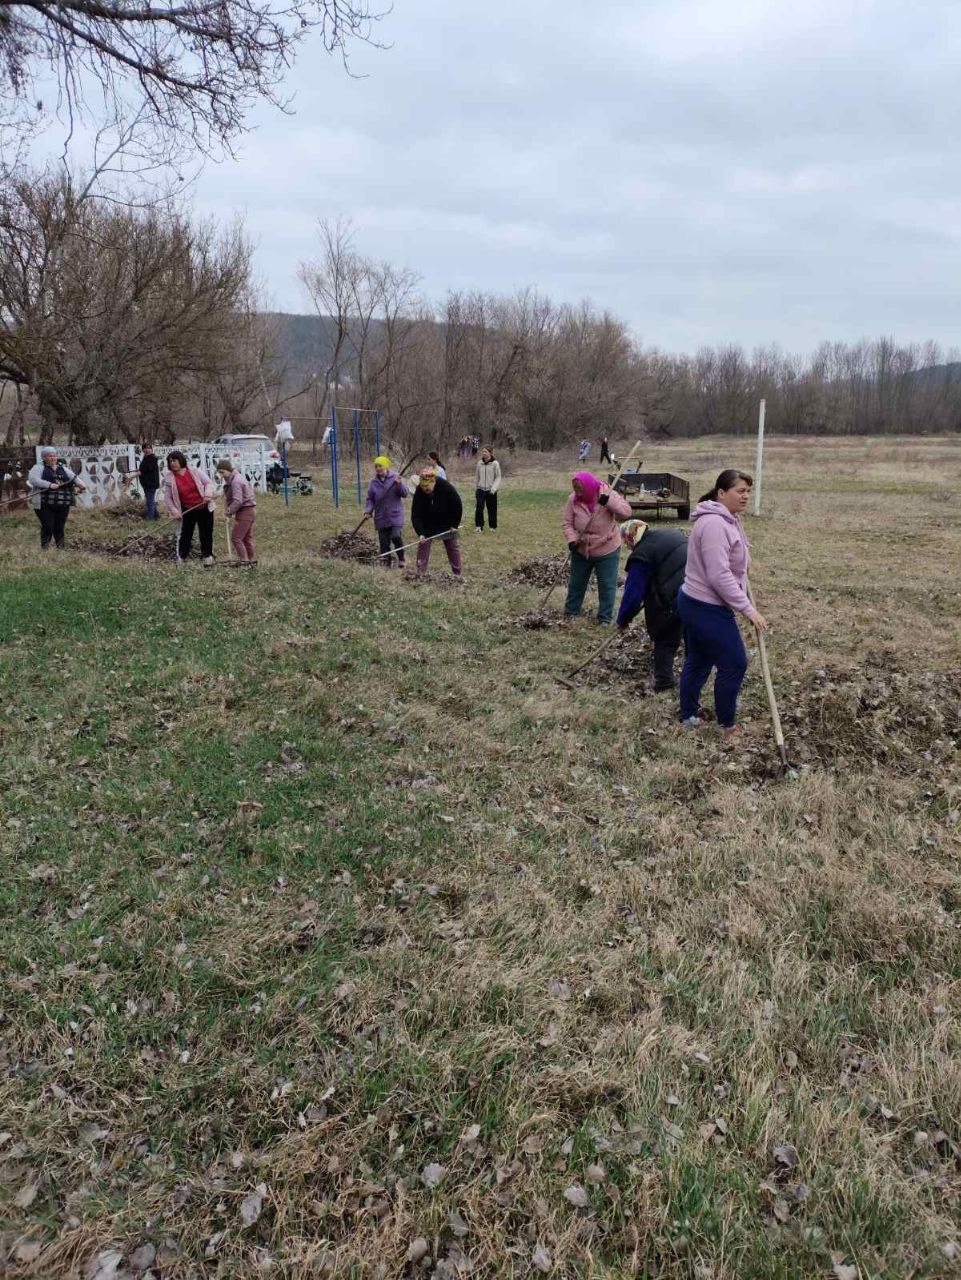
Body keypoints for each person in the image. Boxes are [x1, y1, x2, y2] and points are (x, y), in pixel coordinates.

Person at [677, 468, 768, 741]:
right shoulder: (715, 525)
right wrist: (747, 608)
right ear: (721, 493)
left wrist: (744, 569)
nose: (746, 496)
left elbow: (733, 559)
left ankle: (689, 715)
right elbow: (718, 575)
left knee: (700, 659)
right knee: (735, 663)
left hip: (695, 600)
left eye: (748, 491)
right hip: (704, 605)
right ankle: (727, 724)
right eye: (740, 491)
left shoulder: (729, 518)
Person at [616, 519, 687, 692]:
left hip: (669, 599)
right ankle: (694, 674)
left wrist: (623, 619)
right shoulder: (673, 534)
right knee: (689, 633)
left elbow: (633, 593)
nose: (627, 546)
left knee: (665, 639)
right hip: (693, 592)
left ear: (630, 537)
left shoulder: (642, 555)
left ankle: (664, 682)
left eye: (626, 541)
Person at [562, 472, 632, 624]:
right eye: (575, 489)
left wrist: (609, 502)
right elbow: (567, 523)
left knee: (607, 585)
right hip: (581, 548)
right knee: (576, 582)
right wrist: (572, 540)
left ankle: (605, 618)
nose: (578, 493)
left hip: (607, 548)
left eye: (580, 489)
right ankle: (571, 612)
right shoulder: (573, 499)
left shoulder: (607, 493)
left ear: (588, 487)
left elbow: (626, 512)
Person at [162, 449, 216, 566]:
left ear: (181, 460)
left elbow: (208, 483)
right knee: (186, 534)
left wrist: (208, 493)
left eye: (174, 460)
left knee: (206, 533)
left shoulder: (195, 471)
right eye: (170, 461)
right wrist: (174, 511)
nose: (172, 463)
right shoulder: (169, 478)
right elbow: (167, 498)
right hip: (187, 510)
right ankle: (182, 558)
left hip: (204, 507)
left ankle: (207, 557)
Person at [27, 447, 86, 549]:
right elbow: (33, 480)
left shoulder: (62, 468)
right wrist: (49, 485)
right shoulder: (38, 468)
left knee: (59, 527)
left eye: (54, 455)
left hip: (63, 503)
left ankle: (61, 548)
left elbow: (74, 477)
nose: (53, 458)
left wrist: (81, 485)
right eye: (50, 456)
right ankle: (45, 548)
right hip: (44, 504)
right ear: (44, 457)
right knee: (48, 526)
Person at [410, 467, 463, 576]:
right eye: (422, 486)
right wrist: (420, 533)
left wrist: (454, 525)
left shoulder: (445, 486)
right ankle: (420, 573)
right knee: (423, 545)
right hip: (428, 523)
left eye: (427, 485)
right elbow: (415, 515)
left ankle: (457, 573)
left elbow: (457, 505)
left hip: (447, 522)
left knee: (453, 547)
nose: (425, 488)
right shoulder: (419, 491)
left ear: (433, 481)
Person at [364, 455, 409, 568]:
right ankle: (386, 566)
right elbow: (370, 499)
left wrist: (399, 484)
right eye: (376, 466)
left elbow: (404, 493)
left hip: (395, 515)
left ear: (386, 466)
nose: (378, 468)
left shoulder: (395, 477)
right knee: (384, 544)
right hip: (381, 517)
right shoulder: (373, 482)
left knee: (395, 536)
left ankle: (401, 558)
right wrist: (368, 511)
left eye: (380, 466)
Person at [216, 458, 257, 566]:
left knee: (236, 538)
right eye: (219, 472)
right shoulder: (234, 479)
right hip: (250, 510)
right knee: (246, 538)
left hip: (245, 511)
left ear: (229, 470)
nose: (221, 475)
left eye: (222, 472)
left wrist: (229, 512)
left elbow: (238, 501)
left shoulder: (236, 481)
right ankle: (252, 561)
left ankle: (245, 561)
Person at [474, 446, 501, 532]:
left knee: (492, 509)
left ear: (490, 453)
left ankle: (492, 527)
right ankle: (479, 526)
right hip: (481, 489)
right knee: (479, 509)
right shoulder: (479, 463)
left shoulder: (495, 463)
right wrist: (477, 488)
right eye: (483, 451)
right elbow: (477, 476)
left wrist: (493, 489)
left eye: (485, 451)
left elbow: (498, 477)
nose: (484, 453)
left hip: (491, 490)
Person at [131, 444, 161, 519]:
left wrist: (131, 477)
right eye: (145, 448)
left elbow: (144, 470)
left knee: (149, 502)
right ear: (143, 450)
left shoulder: (152, 458)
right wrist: (138, 470)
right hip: (146, 484)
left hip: (151, 483)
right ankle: (156, 515)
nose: (147, 449)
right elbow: (143, 468)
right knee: (151, 500)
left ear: (151, 449)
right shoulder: (146, 458)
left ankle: (150, 518)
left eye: (149, 448)